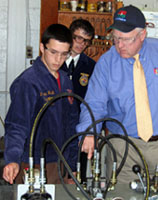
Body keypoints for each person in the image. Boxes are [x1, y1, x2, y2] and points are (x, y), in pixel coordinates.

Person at [76, 5, 158, 184]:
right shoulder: (106, 63)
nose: (119, 45)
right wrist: (89, 132)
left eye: (126, 39)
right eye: (116, 38)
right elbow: (94, 103)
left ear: (142, 35)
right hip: (123, 148)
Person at [3, 24, 79, 184]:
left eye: (64, 54)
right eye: (53, 52)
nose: (58, 60)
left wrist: (71, 166)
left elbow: (72, 124)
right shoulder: (28, 82)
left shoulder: (65, 80)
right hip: (33, 162)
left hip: (61, 162)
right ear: (42, 48)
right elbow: (17, 124)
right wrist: (12, 159)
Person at [61, 19, 95, 183]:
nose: (82, 44)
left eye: (86, 41)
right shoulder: (55, 61)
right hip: (56, 125)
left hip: (79, 128)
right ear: (70, 35)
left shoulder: (91, 66)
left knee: (76, 175)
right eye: (78, 38)